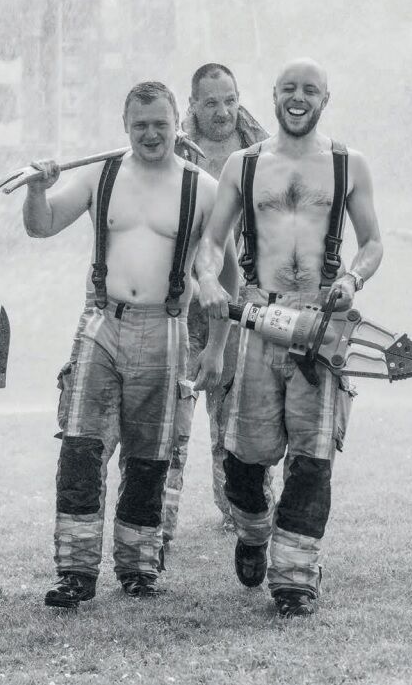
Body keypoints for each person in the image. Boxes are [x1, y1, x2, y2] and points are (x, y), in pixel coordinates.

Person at [20, 82, 238, 608]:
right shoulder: (101, 175)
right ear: (125, 125)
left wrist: (216, 348)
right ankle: (75, 572)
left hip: (167, 328)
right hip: (102, 322)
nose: (151, 134)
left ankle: (139, 568)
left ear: (177, 124)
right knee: (80, 448)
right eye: (140, 125)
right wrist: (36, 189)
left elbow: (228, 276)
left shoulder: (203, 188)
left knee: (151, 456)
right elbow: (41, 226)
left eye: (160, 124)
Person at [194, 58, 383, 617]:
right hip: (259, 318)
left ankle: (295, 579)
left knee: (312, 458)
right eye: (290, 89)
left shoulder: (348, 164)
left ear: (326, 98)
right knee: (244, 462)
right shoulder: (245, 164)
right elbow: (212, 242)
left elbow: (373, 243)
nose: (299, 99)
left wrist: (352, 279)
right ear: (274, 95)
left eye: (311, 91)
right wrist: (208, 279)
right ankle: (253, 531)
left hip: (323, 326)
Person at [162, 63, 272, 543]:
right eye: (211, 102)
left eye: (230, 100)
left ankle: (239, 512)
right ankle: (158, 520)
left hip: (241, 298)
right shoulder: (172, 150)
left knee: (237, 415)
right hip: (180, 301)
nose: (223, 111)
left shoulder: (262, 152)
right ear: (192, 104)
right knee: (173, 411)